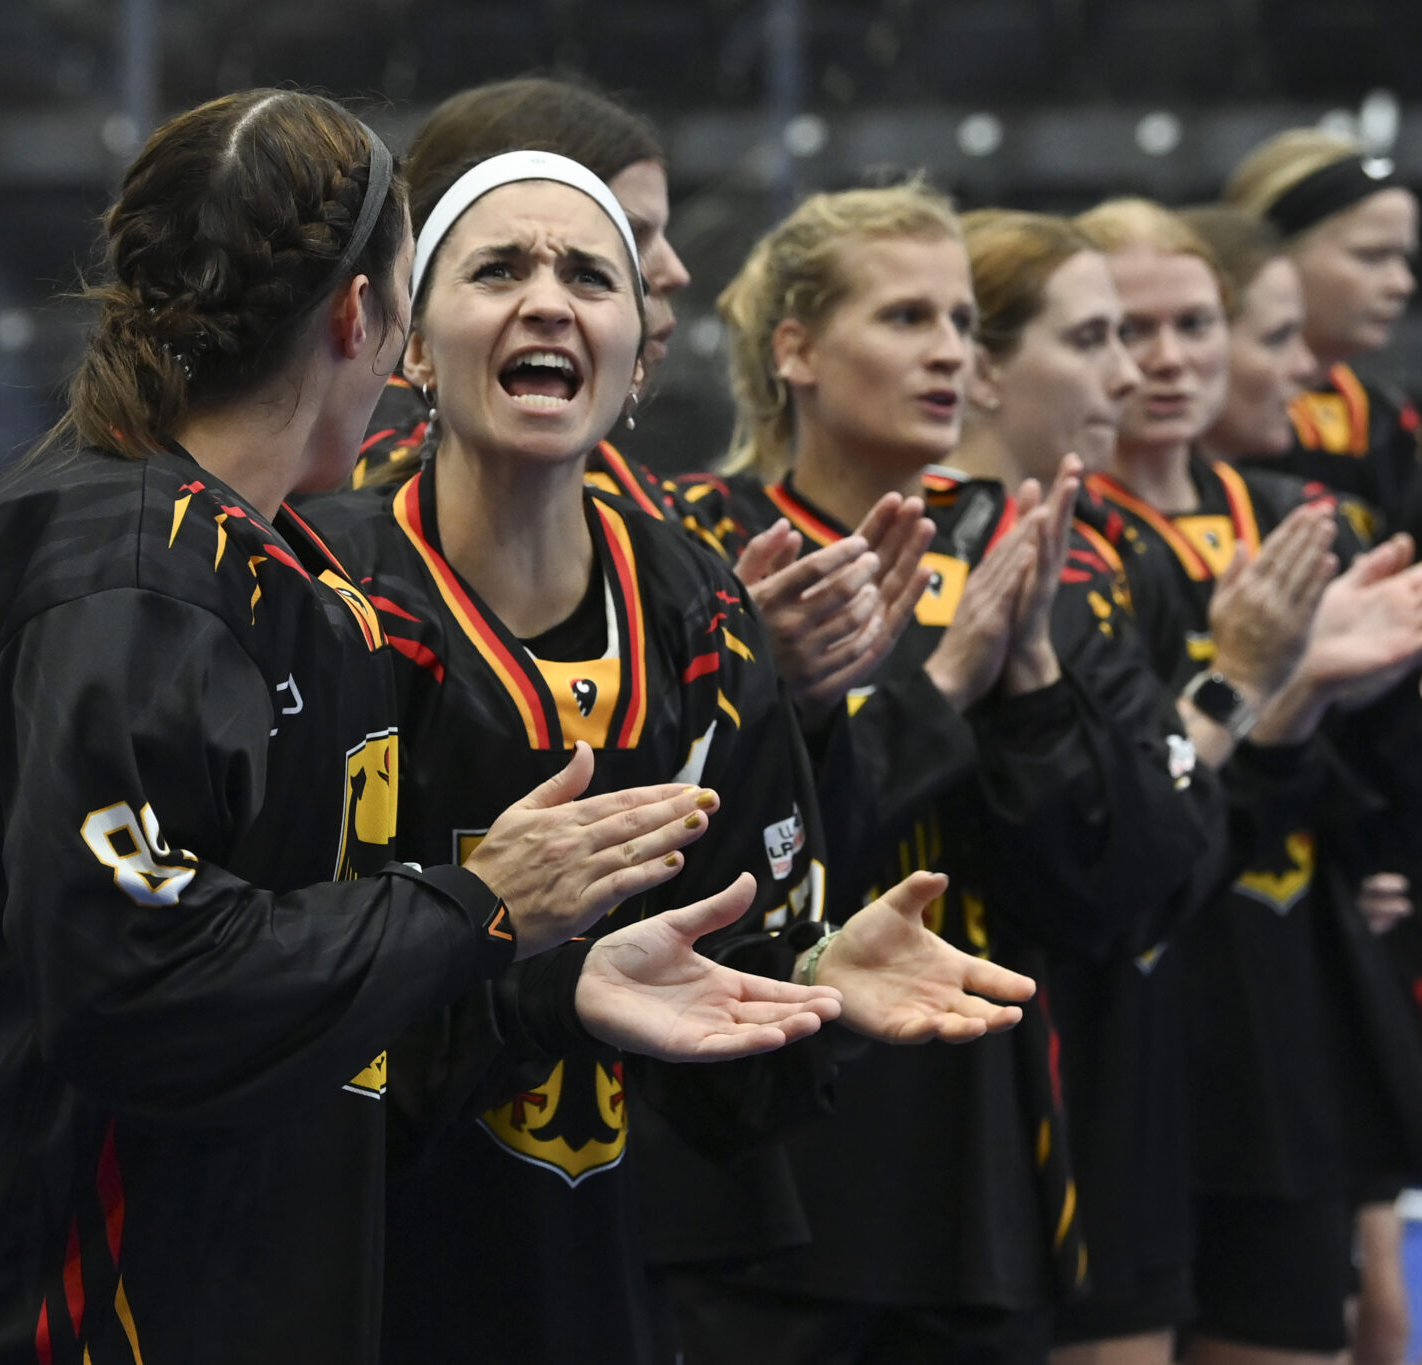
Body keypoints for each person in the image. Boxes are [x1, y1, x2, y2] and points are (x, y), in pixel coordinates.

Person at [0, 90, 845, 1365]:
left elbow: (295, 1020)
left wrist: (548, 994)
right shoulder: (130, 576)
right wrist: (473, 904)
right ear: (367, 319)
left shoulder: (237, 568)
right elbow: (136, 982)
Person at [304, 150, 1036, 1365]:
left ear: (638, 362)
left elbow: (720, 1052)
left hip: (613, 1281)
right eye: (497, 268)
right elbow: (265, 1005)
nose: (547, 299)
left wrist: (813, 983)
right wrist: (527, 977)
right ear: (410, 351)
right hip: (355, 1283)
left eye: (590, 275)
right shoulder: (315, 592)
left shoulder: (698, 610)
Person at [658, 182, 1212, 1365]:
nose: (948, 353)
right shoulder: (692, 542)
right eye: (906, 318)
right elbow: (706, 865)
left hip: (977, 1175)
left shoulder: (1038, 550)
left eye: (962, 321)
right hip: (762, 1177)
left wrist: (1036, 680)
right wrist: (940, 684)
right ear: (794, 348)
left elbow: (1119, 885)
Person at [1078, 196, 1422, 1365]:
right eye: (1127, 330)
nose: (1164, 361)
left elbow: (1363, 794)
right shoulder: (1064, 538)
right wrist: (1295, 690)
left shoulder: (1299, 520)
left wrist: (1379, 853)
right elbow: (1114, 813)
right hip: (1130, 1033)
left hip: (1285, 1031)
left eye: (1194, 324)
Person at [355, 76, 936, 714]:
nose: (675, 270)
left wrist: (737, 678)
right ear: (419, 331)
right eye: (635, 231)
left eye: (589, 273)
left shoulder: (685, 571)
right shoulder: (336, 560)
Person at [1224, 129, 1421, 542]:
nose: (1401, 284)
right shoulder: (1220, 411)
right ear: (1277, 256)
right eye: (1371, 257)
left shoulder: (1388, 416)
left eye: (1403, 257)